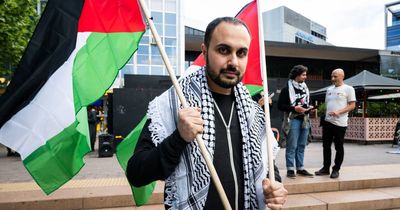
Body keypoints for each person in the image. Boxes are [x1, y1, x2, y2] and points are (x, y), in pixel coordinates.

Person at [126, 17, 287, 210]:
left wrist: (274, 187)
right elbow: (136, 173)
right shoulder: (174, 103)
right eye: (223, 50)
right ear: (205, 51)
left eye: (241, 53)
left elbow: (267, 167)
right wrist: (179, 138)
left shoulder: (254, 113)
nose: (233, 62)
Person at [315, 68, 356, 179]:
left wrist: (339, 112)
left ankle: (336, 169)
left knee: (339, 147)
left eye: (335, 76)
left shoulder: (349, 89)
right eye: (332, 76)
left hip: (340, 123)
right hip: (327, 122)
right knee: (326, 146)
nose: (333, 79)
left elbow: (352, 105)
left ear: (342, 76)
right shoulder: (329, 89)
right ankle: (325, 168)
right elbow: (329, 105)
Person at [278, 65, 314, 179]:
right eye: (303, 74)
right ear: (297, 75)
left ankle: (300, 168)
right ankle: (290, 169)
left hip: (305, 119)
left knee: (301, 145)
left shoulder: (305, 88)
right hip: (293, 119)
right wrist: (294, 108)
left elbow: (308, 102)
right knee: (292, 145)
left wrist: (310, 107)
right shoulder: (287, 89)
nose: (305, 77)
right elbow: (280, 106)